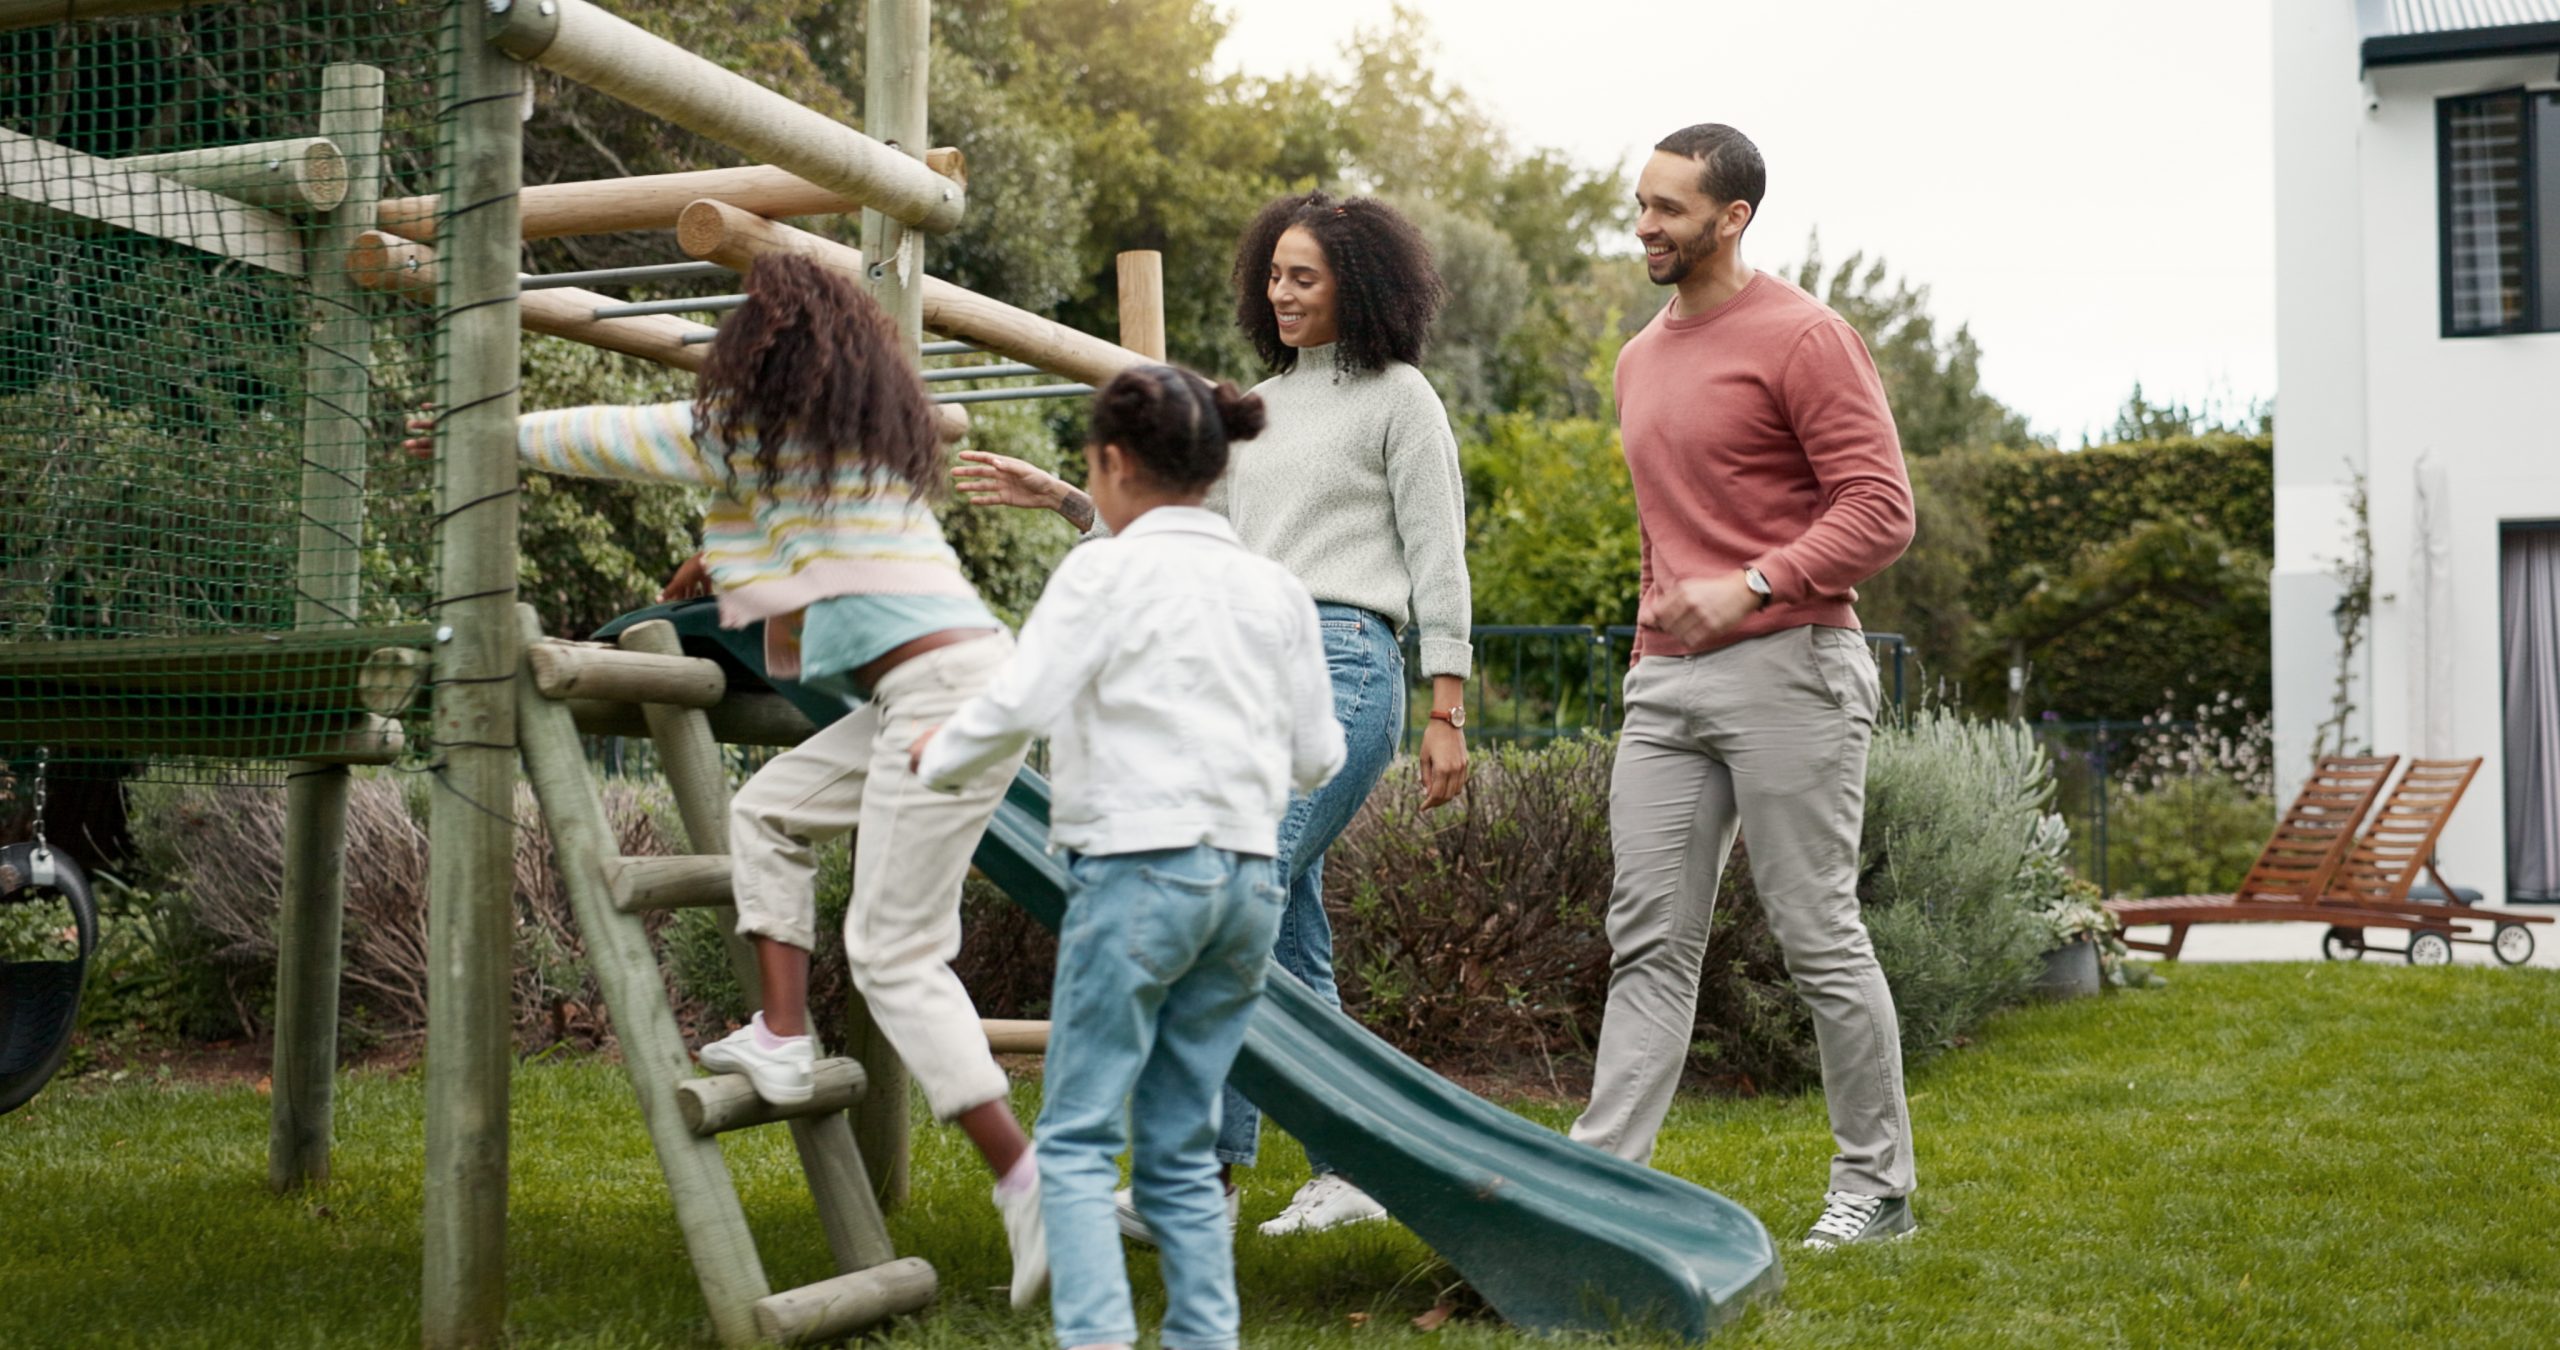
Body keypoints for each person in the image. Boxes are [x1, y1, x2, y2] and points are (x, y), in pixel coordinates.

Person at [415, 254, 1049, 1304]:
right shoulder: (857, 444)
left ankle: (1027, 1189)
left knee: (893, 957)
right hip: (949, 685)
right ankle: (788, 1039)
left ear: (758, 353)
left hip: (943, 696)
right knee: (768, 810)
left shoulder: (744, 432)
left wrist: (478, 432)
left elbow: (608, 438)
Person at [953, 190, 1471, 1238]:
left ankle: (1201, 1183)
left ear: (1356, 286)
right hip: (1259, 668)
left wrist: (1446, 705)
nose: (1280, 294)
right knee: (1285, 932)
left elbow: (1436, 552)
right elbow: (1177, 528)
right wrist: (1063, 497)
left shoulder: (1399, 398)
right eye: (1272, 274)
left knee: (1235, 886)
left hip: (1351, 663)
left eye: (1304, 277)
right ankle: (1348, 1165)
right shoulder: (1259, 407)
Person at [913, 364, 1344, 1350]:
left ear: (1110, 463)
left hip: (1140, 873)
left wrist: (938, 753)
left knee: (1072, 1139)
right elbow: (1317, 755)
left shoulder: (1103, 571)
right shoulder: (1275, 587)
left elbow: (1020, 700)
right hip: (1244, 887)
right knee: (1182, 1147)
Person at [1574, 123, 1921, 1249]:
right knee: (1649, 939)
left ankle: (1876, 1188)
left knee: (1815, 931)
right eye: (1640, 203)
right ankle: (1600, 1184)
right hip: (1665, 687)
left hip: (1793, 666)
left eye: (1668, 208)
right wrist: (1649, 649)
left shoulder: (1806, 336)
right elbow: (1661, 535)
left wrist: (1755, 585)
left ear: (1732, 218)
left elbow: (1881, 509)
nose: (1644, 226)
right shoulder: (1637, 357)